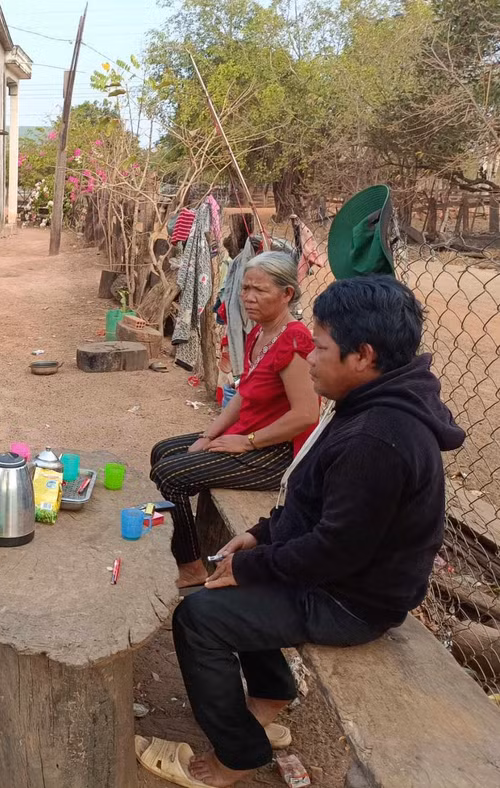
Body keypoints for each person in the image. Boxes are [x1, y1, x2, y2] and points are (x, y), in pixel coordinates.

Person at [167, 276, 465, 787]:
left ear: (362, 356)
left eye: (321, 347)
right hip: (343, 574)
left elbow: (334, 550)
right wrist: (260, 536)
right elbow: (312, 504)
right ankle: (273, 688)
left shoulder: (378, 437)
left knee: (198, 618)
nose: (309, 358)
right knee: (233, 580)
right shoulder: (371, 403)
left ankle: (236, 756)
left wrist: (253, 565)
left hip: (354, 600)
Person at [150, 251, 319, 591]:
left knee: (172, 475)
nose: (248, 297)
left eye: (260, 290)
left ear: (287, 294)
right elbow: (243, 396)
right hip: (251, 436)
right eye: (245, 288)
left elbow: (306, 415)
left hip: (278, 453)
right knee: (163, 452)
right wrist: (208, 434)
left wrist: (248, 441)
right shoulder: (260, 333)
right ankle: (191, 547)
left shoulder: (295, 340)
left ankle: (191, 566)